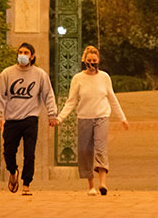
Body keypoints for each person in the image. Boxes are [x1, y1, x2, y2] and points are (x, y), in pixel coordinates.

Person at [50, 45, 129, 196]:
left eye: (94, 60)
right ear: (84, 61)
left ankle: (103, 183)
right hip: (84, 117)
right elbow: (71, 101)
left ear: (99, 60)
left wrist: (122, 118)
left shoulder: (104, 77)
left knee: (100, 148)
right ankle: (91, 184)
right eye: (89, 60)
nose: (92, 63)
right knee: (85, 150)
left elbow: (112, 98)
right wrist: (59, 118)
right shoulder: (78, 79)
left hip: (102, 116)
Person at [0, 42, 57, 196]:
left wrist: (52, 114)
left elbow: (48, 95)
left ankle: (26, 183)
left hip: (30, 118)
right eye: (20, 52)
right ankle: (13, 172)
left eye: (26, 52)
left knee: (29, 153)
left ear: (32, 56)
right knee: (9, 151)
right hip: (11, 119)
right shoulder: (6, 74)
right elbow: (0, 96)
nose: (22, 55)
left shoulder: (40, 75)